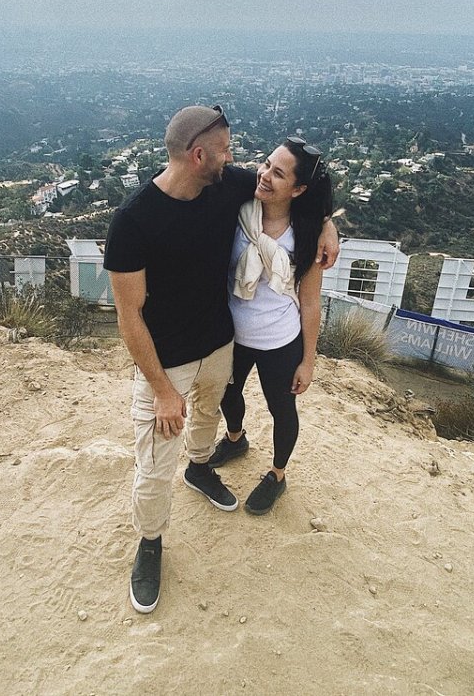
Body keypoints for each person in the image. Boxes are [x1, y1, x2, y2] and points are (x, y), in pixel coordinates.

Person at [104, 106, 338, 615]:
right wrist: (163, 390)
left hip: (219, 345)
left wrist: (327, 225)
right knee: (153, 464)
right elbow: (129, 317)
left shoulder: (226, 186)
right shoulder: (133, 221)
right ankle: (150, 543)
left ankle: (202, 467)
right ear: (198, 155)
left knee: (209, 417)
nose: (242, 162)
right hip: (166, 366)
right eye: (229, 150)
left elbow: (299, 193)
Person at [207, 136, 332, 515]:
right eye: (265, 165)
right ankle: (235, 437)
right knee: (227, 394)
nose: (264, 175)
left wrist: (308, 361)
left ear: (298, 189)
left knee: (282, 409)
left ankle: (277, 475)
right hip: (232, 332)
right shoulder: (240, 209)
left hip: (280, 339)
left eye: (278, 174)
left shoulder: (307, 233)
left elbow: (310, 302)